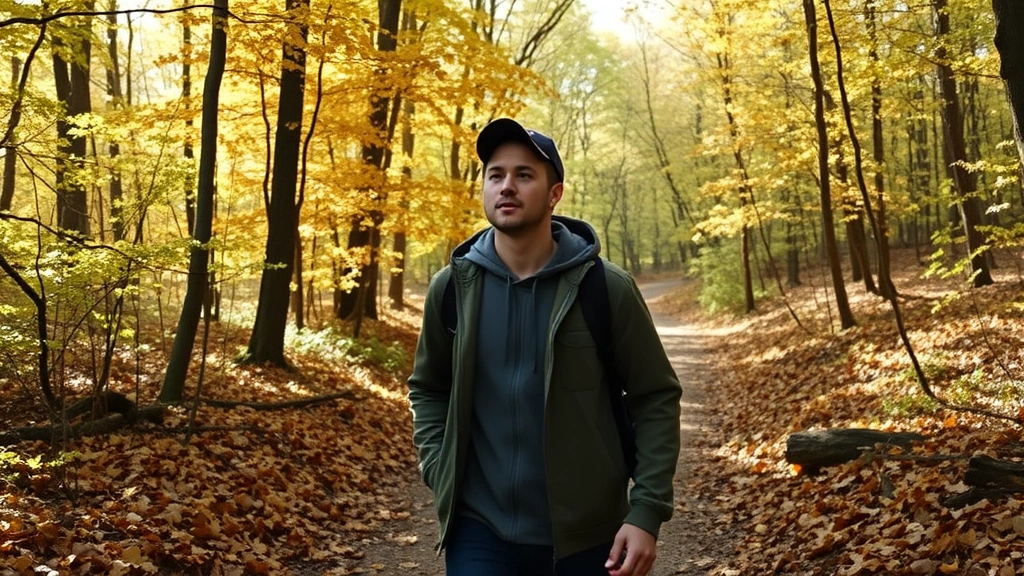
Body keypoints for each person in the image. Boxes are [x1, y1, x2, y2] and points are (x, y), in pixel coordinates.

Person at [407, 117, 682, 576]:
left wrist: (647, 511)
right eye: (495, 175)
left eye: (524, 175)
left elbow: (655, 397)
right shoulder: (453, 289)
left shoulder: (605, 289)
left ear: (555, 194)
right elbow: (428, 388)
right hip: (479, 531)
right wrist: (439, 467)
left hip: (588, 536)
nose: (506, 186)